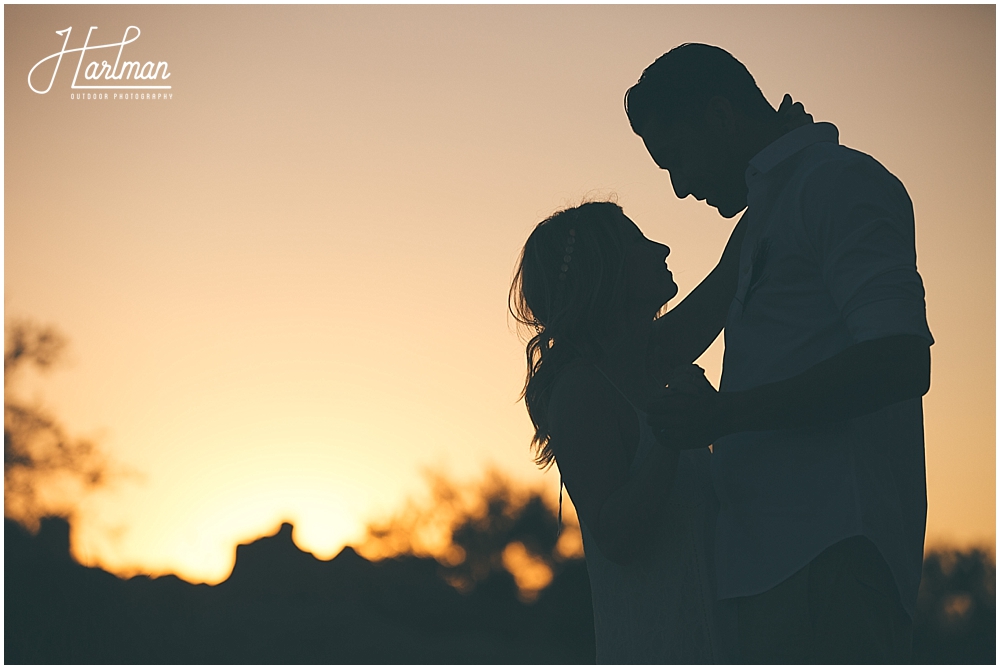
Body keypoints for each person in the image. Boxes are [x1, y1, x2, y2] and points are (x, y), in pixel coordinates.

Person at [625, 43, 933, 663]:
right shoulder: (765, 215)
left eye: (675, 160)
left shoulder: (840, 183)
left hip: (834, 552)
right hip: (765, 566)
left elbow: (901, 360)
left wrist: (726, 415)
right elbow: (673, 343)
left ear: (719, 116)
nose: (680, 189)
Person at [509, 201, 743, 663]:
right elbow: (615, 535)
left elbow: (728, 276)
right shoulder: (581, 390)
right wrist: (670, 435)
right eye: (639, 242)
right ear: (605, 273)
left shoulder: (648, 360)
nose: (662, 247)